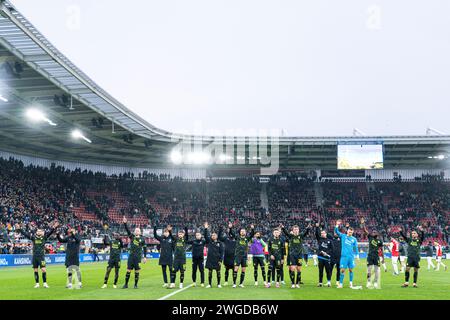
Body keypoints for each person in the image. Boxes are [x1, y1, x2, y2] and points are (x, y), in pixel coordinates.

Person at [15, 221, 59, 288]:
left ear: (42, 232)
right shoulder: (33, 238)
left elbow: (50, 232)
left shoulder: (44, 237)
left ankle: (45, 283)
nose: (39, 232)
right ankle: (37, 283)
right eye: (38, 231)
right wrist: (20, 229)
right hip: (35, 256)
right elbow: (25, 234)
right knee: (35, 270)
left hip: (41, 256)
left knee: (43, 269)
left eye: (40, 231)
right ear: (36, 232)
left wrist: (54, 227)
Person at [281, 223, 311, 288]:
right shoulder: (291, 236)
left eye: (297, 229)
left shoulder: (301, 235)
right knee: (292, 268)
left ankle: (297, 283)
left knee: (299, 269)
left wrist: (308, 228)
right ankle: (292, 283)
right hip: (292, 255)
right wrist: (283, 228)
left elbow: (306, 233)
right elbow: (286, 233)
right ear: (293, 230)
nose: (296, 230)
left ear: (298, 230)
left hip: (299, 255)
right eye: (295, 229)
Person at [122, 217, 147, 289]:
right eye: (136, 230)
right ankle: (126, 284)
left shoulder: (142, 239)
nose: (136, 231)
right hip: (131, 256)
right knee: (128, 270)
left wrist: (145, 257)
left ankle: (135, 285)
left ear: (140, 232)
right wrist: (125, 223)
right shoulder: (132, 237)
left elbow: (145, 248)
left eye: (138, 230)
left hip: (138, 257)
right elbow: (127, 230)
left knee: (137, 271)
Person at [334, 220, 359, 289]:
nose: (350, 232)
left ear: (353, 232)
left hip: (351, 257)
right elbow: (336, 231)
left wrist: (357, 256)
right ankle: (341, 284)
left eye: (351, 232)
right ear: (347, 231)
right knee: (342, 270)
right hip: (344, 257)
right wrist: (337, 225)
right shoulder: (343, 236)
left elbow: (356, 248)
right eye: (349, 231)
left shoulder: (354, 239)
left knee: (351, 270)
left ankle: (351, 283)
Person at [230, 223, 255, 288]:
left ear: (245, 232)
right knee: (236, 269)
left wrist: (252, 229)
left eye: (244, 231)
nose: (242, 232)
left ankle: (241, 283)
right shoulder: (237, 237)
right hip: (238, 256)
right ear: (240, 232)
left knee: (243, 270)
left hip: (244, 256)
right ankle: (234, 283)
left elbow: (252, 234)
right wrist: (230, 228)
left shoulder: (247, 238)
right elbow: (232, 233)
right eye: (241, 231)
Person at [361, 219, 383, 289]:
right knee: (369, 270)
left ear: (377, 234)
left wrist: (383, 258)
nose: (373, 233)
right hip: (370, 256)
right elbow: (365, 230)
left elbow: (381, 250)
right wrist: (363, 224)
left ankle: (376, 282)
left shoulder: (380, 241)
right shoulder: (370, 237)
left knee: (377, 270)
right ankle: (368, 282)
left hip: (376, 256)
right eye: (373, 232)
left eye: (375, 232)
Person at [204, 222, 224, 288]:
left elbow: (221, 252)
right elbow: (205, 236)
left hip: (217, 260)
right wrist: (206, 228)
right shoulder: (209, 241)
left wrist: (220, 260)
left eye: (214, 235)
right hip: (210, 259)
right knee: (210, 272)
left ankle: (218, 284)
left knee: (218, 272)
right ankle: (209, 284)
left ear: (217, 236)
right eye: (212, 235)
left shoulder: (220, 243)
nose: (213, 236)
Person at [314, 222, 333, 287]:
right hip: (321, 258)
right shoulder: (320, 239)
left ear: (326, 234)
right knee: (320, 271)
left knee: (328, 271)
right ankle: (320, 283)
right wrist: (317, 227)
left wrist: (327, 253)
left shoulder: (329, 240)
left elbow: (332, 249)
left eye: (323, 233)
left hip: (327, 258)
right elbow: (316, 234)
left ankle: (329, 282)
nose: (322, 234)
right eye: (321, 233)